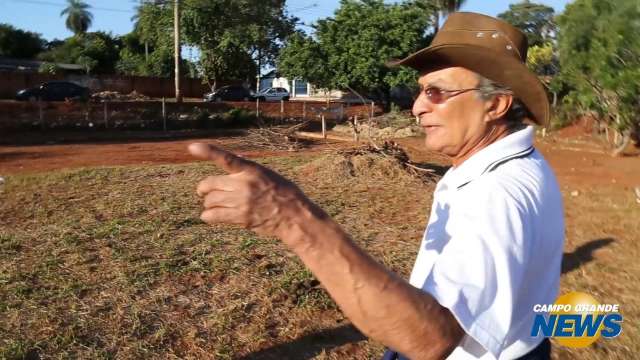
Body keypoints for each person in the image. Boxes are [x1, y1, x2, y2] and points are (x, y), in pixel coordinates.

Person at [188, 12, 564, 360]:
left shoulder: (495, 192)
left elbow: (431, 338)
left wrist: (293, 218)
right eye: (420, 91)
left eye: (437, 92)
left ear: (495, 105)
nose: (417, 107)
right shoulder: (512, 163)